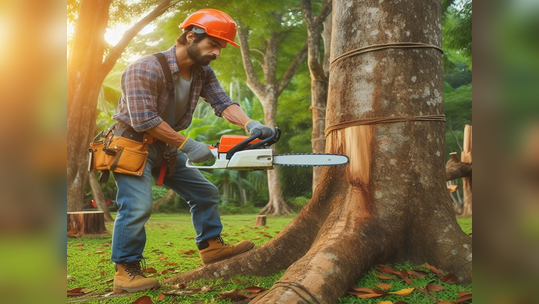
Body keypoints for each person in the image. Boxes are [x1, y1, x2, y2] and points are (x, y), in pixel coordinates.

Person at [109, 9, 273, 294]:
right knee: (137, 206)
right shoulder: (144, 68)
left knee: (205, 193)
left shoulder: (202, 72)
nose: (217, 53)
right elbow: (144, 120)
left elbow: (222, 103)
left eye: (221, 47)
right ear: (190, 36)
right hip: (131, 144)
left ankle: (211, 247)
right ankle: (126, 271)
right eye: (213, 44)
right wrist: (187, 144)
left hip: (167, 147)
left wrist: (250, 123)